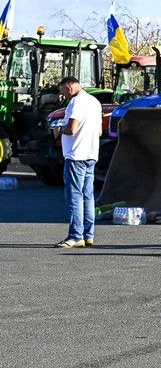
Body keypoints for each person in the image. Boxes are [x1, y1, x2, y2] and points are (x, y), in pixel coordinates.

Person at [54, 77, 102, 248]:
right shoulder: (95, 102)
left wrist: (59, 130)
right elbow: (99, 131)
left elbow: (72, 128)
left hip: (76, 155)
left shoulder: (76, 102)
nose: (63, 95)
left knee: (74, 196)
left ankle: (75, 236)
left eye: (63, 91)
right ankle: (89, 235)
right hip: (91, 154)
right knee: (88, 196)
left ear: (69, 87)